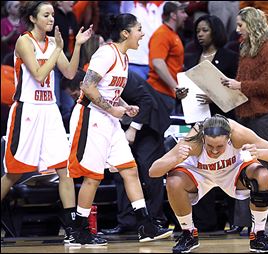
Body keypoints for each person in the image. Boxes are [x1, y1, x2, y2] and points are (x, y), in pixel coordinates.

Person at [67, 13, 173, 248]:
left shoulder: (123, 58)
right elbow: (87, 86)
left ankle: (145, 225)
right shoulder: (106, 53)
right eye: (138, 29)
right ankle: (80, 230)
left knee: (130, 170)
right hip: (90, 117)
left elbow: (109, 90)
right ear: (125, 33)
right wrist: (112, 109)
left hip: (108, 119)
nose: (142, 34)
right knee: (93, 177)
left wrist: (125, 106)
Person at [0, 0, 93, 244]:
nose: (51, 19)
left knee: (64, 170)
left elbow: (70, 74)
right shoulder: (24, 41)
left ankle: (72, 227)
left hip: (49, 110)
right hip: (27, 110)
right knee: (13, 173)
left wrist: (78, 47)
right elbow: (40, 75)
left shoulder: (54, 43)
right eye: (46, 15)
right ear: (33, 18)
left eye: (52, 14)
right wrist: (56, 50)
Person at [149, 114, 268, 253]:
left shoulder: (238, 134)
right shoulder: (193, 140)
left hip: (232, 171)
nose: (214, 151)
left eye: (220, 146)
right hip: (200, 173)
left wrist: (259, 153)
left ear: (229, 138)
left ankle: (258, 236)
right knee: (173, 181)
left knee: (262, 175)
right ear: (203, 138)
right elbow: (153, 171)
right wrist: (176, 159)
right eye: (210, 146)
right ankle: (188, 234)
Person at [221, 6, 268, 235]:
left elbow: (267, 86)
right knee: (241, 168)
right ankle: (242, 221)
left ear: (253, 24)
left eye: (241, 25)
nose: (238, 29)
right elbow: (241, 82)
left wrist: (240, 86)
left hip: (262, 118)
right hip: (243, 116)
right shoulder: (246, 47)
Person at [184, 14, 239, 232]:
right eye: (198, 31)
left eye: (204, 30)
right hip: (198, 122)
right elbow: (188, 88)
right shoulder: (191, 57)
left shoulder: (230, 57)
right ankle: (205, 222)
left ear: (215, 31)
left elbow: (237, 93)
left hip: (224, 122)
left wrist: (214, 96)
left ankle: (235, 220)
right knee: (200, 171)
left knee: (229, 170)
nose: (200, 34)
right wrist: (181, 94)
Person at [101, 70, 172, 234]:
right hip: (125, 123)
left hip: (150, 122)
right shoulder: (96, 80)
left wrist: (133, 129)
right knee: (121, 172)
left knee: (150, 171)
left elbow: (147, 101)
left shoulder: (123, 75)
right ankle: (127, 221)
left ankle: (156, 220)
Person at [147, 1, 189, 115]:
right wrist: (176, 87)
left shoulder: (172, 34)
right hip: (159, 93)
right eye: (182, 12)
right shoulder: (162, 34)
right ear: (173, 15)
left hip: (167, 94)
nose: (186, 16)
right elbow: (157, 63)